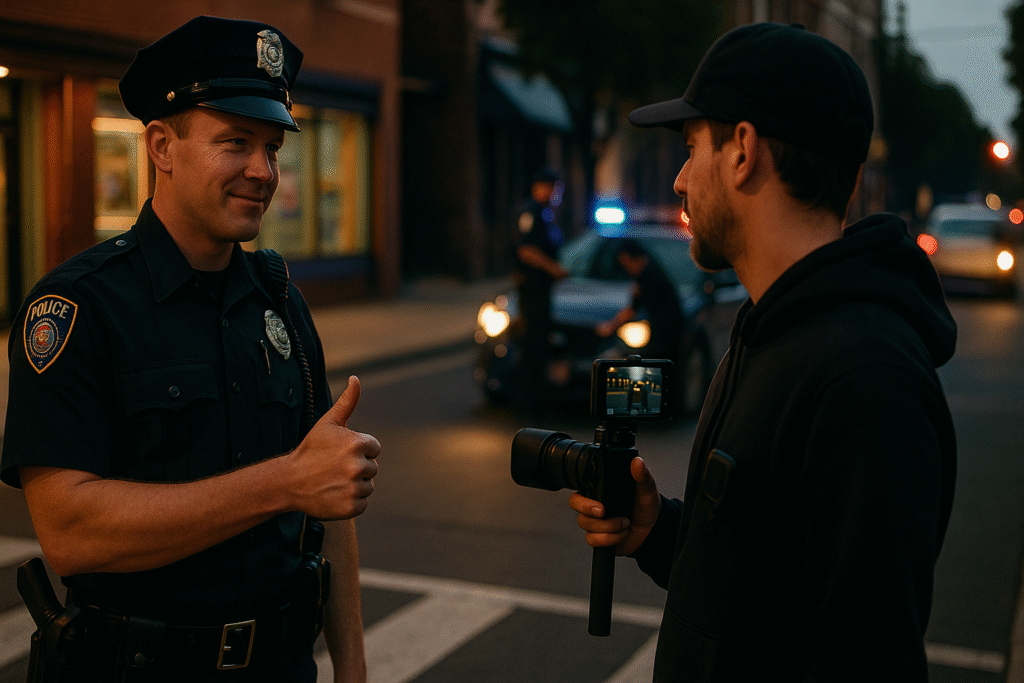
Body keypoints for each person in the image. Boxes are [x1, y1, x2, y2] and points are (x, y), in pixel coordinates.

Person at [569, 23, 957, 681]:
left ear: (743, 150)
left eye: (692, 149)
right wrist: (659, 532)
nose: (681, 181)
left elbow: (867, 657)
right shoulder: (769, 328)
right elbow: (770, 579)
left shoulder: (867, 378)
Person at [1, 16, 379, 682]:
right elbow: (70, 531)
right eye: (236, 142)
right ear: (161, 147)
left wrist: (352, 664)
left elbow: (325, 491)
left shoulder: (278, 300)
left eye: (272, 147)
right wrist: (281, 483)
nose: (262, 171)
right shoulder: (80, 307)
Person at [513, 168, 568, 417]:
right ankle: (527, 404)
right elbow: (525, 251)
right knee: (533, 347)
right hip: (532, 292)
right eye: (554, 189)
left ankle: (537, 400)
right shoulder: (531, 212)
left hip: (543, 293)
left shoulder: (545, 215)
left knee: (540, 347)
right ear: (542, 187)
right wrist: (552, 268)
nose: (556, 195)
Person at [595, 238, 684, 367]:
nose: (627, 269)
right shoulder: (651, 272)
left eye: (626, 264)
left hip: (663, 338)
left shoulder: (648, 277)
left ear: (635, 258)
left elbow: (631, 310)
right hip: (664, 334)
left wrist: (610, 326)